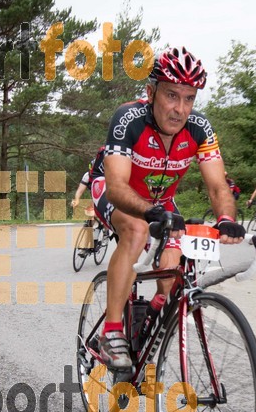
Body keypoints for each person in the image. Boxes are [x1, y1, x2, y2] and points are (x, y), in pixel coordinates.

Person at [91, 47, 246, 369]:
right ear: (151, 93)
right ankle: (112, 331)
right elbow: (118, 185)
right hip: (115, 190)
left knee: (172, 273)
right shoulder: (129, 119)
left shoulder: (200, 128)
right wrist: (148, 215)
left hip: (160, 203)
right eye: (172, 96)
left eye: (189, 98)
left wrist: (227, 218)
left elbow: (218, 185)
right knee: (135, 230)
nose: (179, 109)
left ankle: (148, 324)